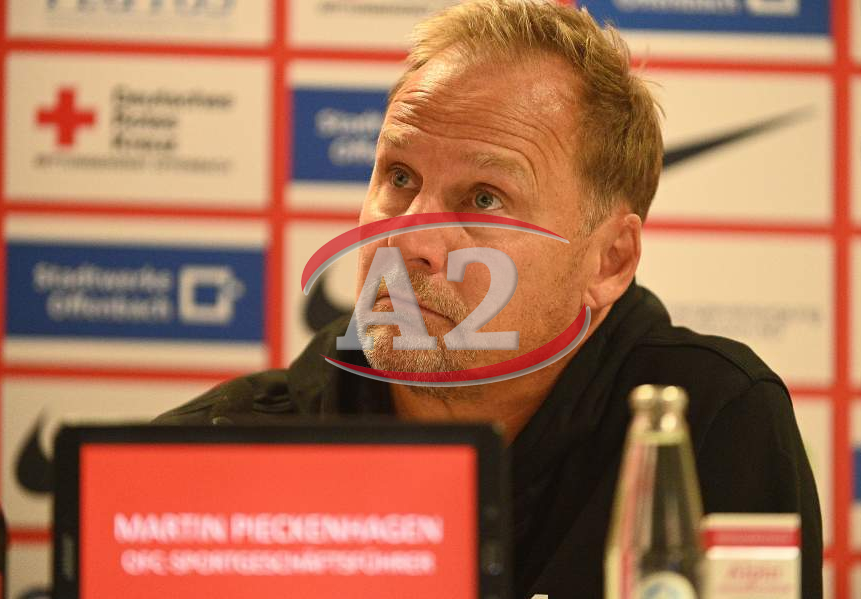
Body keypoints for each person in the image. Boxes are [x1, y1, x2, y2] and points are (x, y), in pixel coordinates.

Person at [157, 1, 823, 597]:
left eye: (484, 198)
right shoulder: (219, 451)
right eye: (399, 176)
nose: (411, 238)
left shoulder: (709, 427)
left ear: (610, 259)